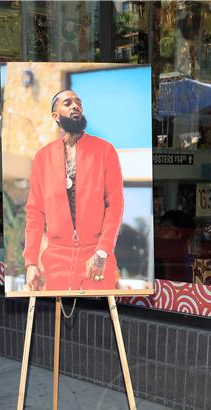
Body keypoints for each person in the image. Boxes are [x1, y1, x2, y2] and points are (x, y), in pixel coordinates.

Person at [24, 89, 124, 292]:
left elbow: (115, 204)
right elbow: (35, 212)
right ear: (55, 116)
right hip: (56, 262)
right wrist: (31, 262)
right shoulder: (43, 158)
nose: (75, 106)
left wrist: (102, 251)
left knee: (99, 318)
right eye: (68, 103)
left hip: (96, 258)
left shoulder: (105, 150)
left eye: (78, 102)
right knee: (54, 316)